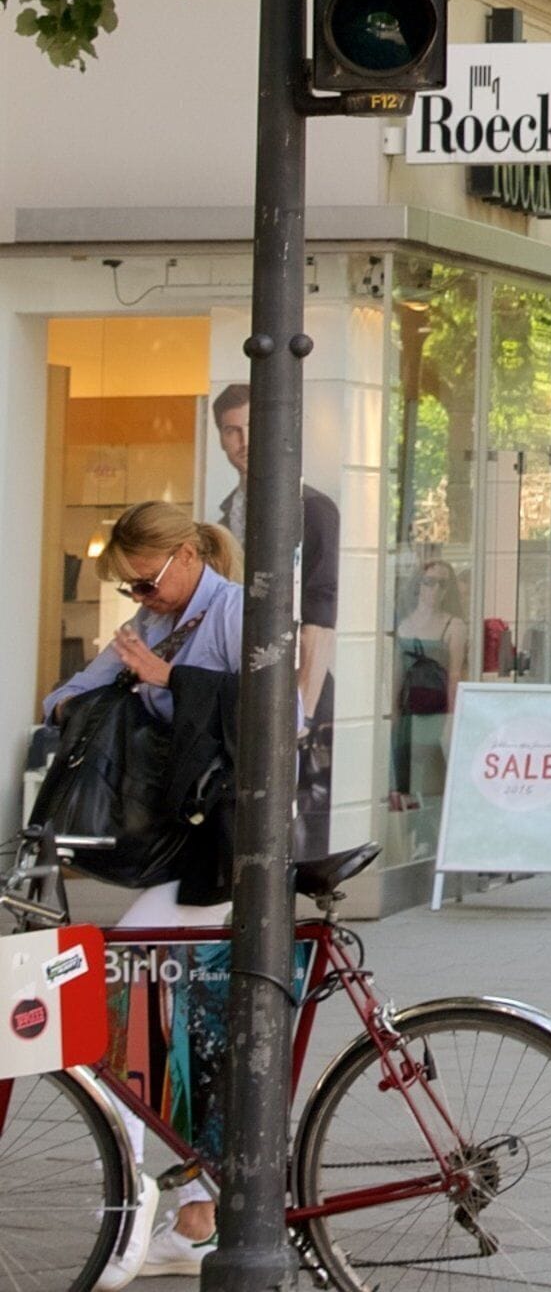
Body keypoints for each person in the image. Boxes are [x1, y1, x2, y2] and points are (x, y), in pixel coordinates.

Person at [44, 504, 251, 1275]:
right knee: (180, 1036)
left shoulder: (235, 613)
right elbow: (65, 699)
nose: (139, 599)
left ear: (188, 555)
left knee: (125, 999)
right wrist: (100, 696)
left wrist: (172, 682)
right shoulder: (153, 624)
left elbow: (283, 716)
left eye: (146, 582)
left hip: (225, 850)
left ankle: (134, 1211)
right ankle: (196, 1215)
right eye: (128, 589)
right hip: (178, 841)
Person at [212, 381, 338, 855]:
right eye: (231, 431)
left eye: (252, 429)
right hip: (238, 684)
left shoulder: (314, 510)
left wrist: (301, 710)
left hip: (299, 687)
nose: (242, 442)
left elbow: (321, 616)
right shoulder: (225, 517)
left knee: (293, 831)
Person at [389, 558, 470, 815]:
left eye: (442, 584)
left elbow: (456, 674)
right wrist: (393, 711)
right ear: (418, 585)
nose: (435, 590)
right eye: (429, 582)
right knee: (403, 781)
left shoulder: (454, 626)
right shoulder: (403, 624)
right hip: (408, 710)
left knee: (433, 781)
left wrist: (451, 717)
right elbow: (397, 672)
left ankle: (430, 833)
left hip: (436, 712)